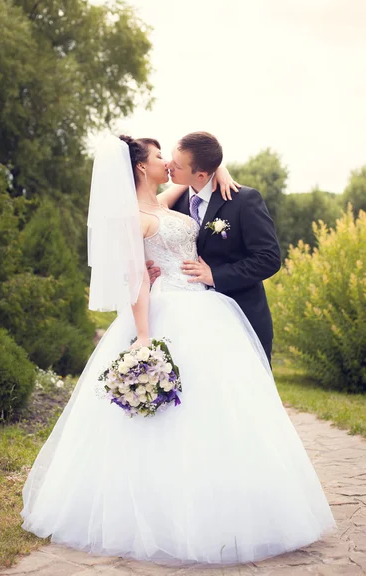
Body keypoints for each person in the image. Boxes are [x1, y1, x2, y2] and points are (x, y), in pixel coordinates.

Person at [20, 134, 336, 566]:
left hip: (207, 308)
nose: (167, 162)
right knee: (175, 416)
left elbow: (195, 182)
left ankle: (228, 498)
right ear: (139, 168)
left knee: (219, 408)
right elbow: (135, 279)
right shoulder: (136, 215)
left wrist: (219, 168)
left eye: (172, 159)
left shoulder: (169, 199)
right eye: (158, 157)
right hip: (170, 310)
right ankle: (170, 511)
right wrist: (145, 336)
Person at [149, 132, 281, 364]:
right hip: (189, 324)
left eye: (177, 165)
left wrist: (215, 276)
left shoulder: (244, 201)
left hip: (241, 318)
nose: (169, 165)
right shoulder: (173, 204)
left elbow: (269, 258)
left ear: (200, 174)